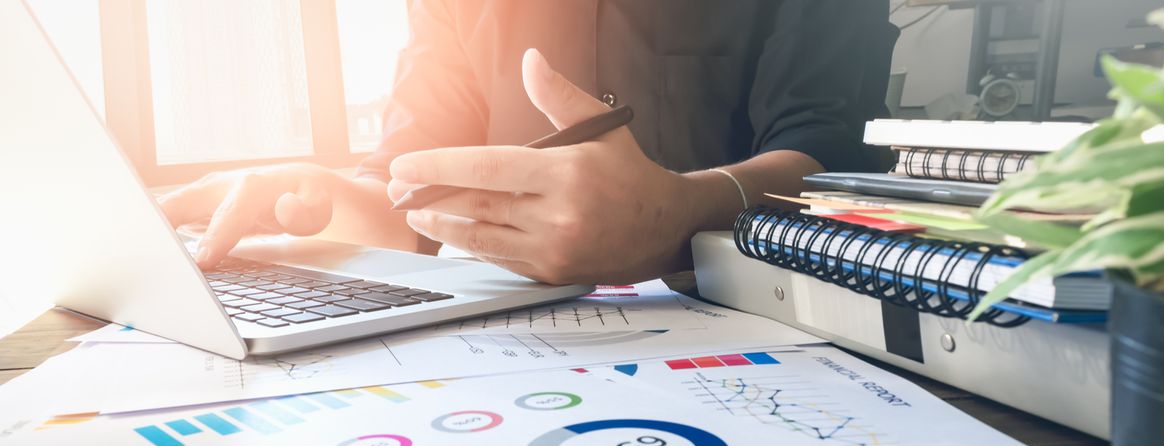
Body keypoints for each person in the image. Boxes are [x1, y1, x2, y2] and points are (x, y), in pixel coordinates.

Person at [160, 1, 897, 285]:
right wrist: (317, 195)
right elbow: (408, 193)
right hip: (505, 357)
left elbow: (828, 156)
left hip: (757, 323)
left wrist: (675, 215)